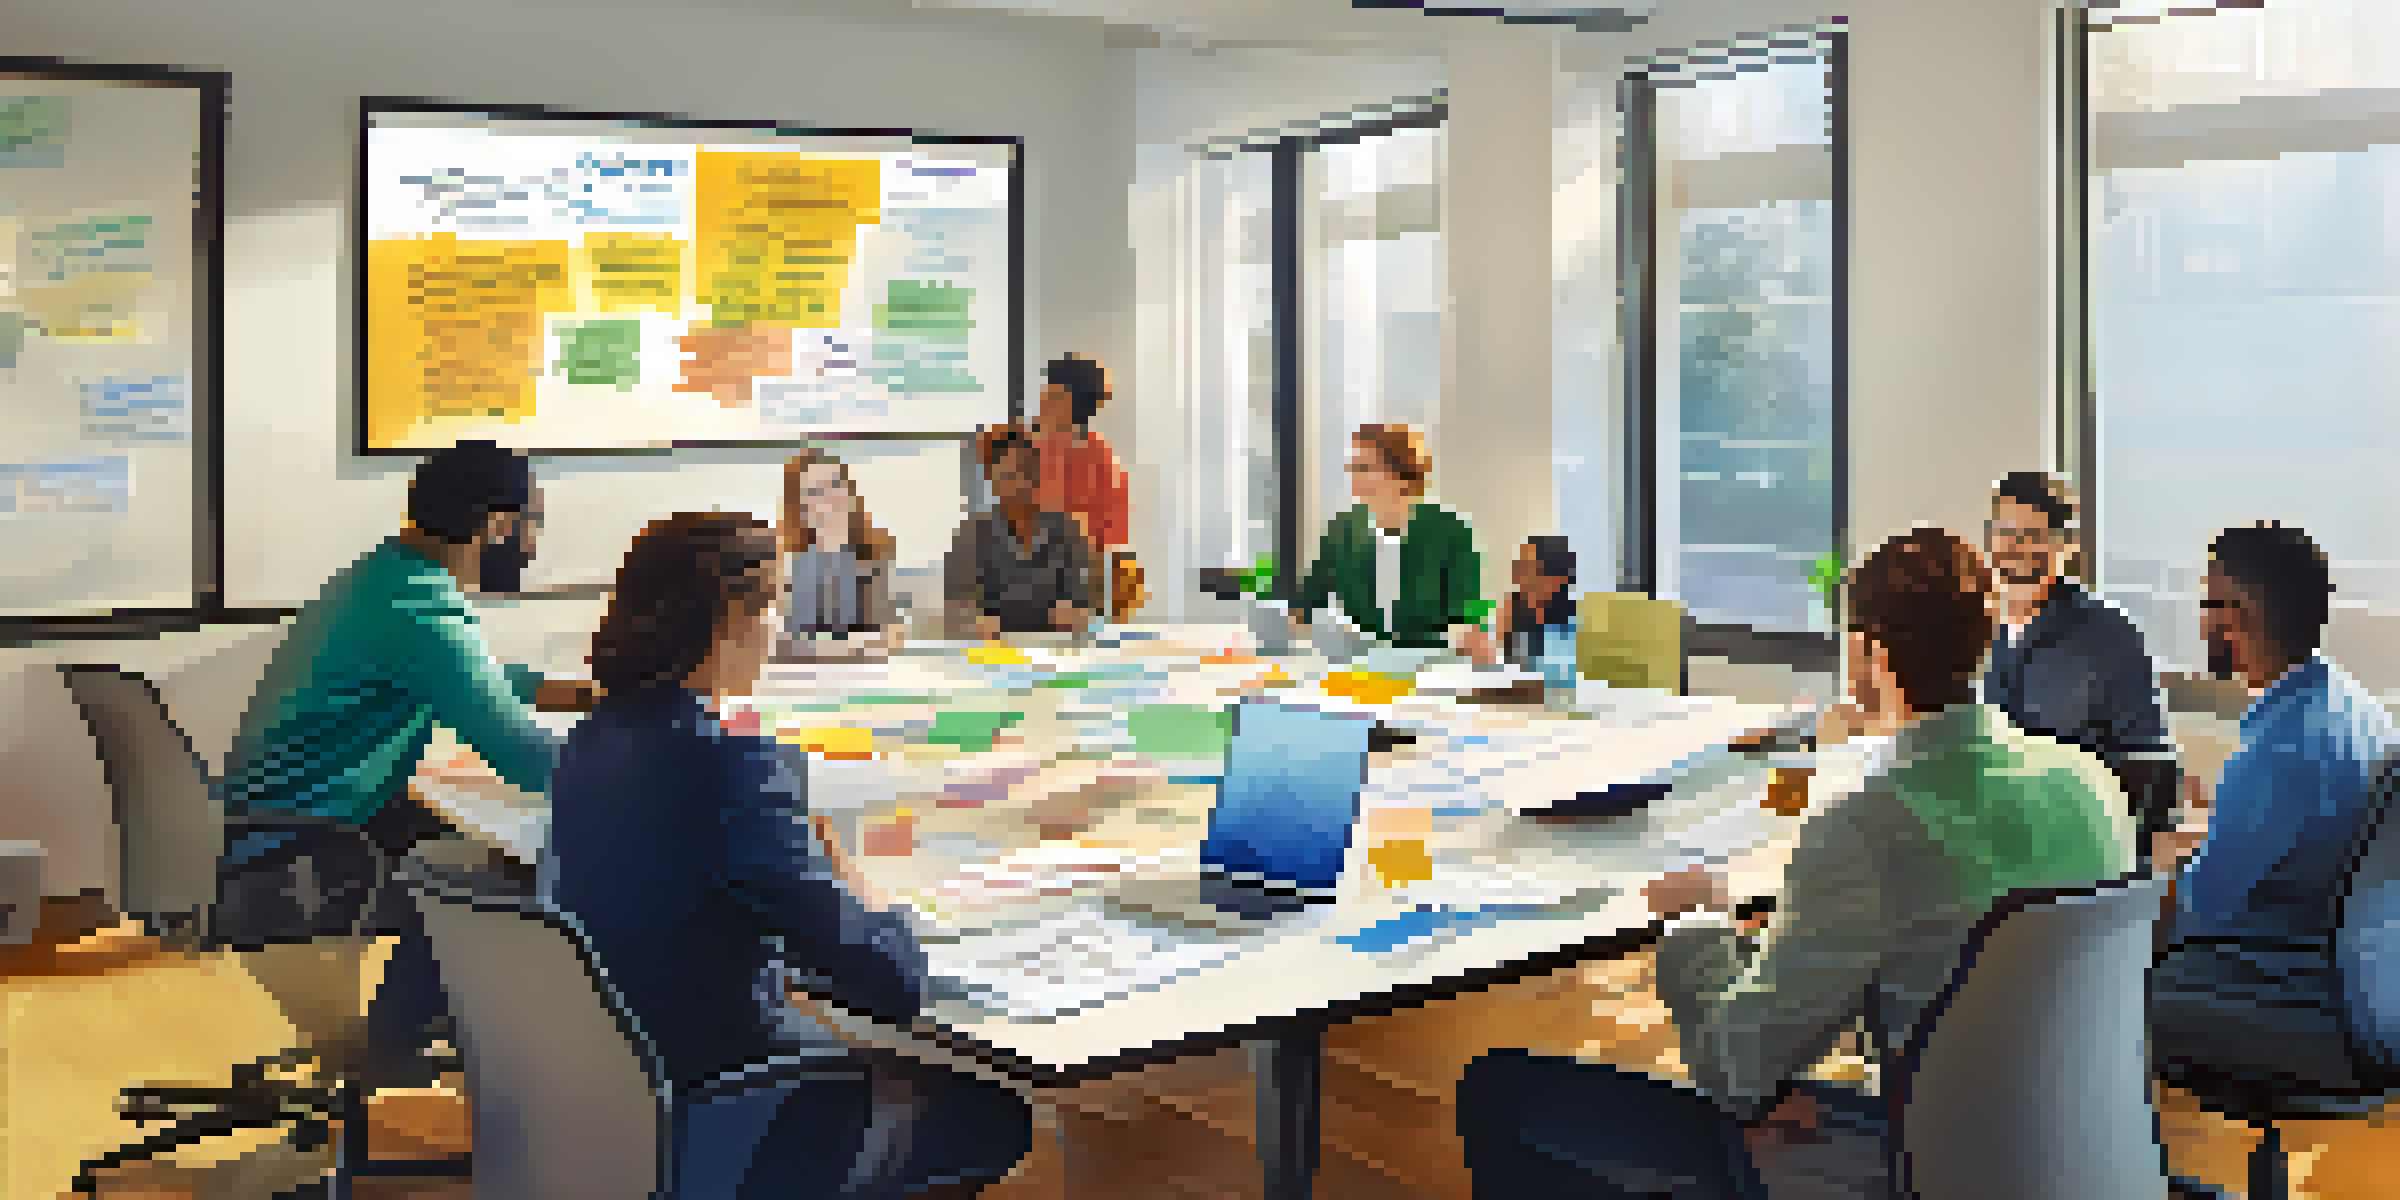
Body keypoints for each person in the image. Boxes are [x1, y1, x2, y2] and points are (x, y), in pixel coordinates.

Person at [1457, 528, 2136, 1199]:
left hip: (1921, 1163)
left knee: (1499, 1092)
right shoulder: (2091, 784)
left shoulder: (1867, 830)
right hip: (2074, 1157)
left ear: (1869, 653)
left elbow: (1733, 1070)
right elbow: (1949, 957)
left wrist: (1696, 920)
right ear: (1985, 642)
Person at [548, 513, 1031, 1199]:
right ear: (727, 620)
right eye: (772, 603)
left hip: (609, 1102)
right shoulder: (734, 768)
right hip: (719, 1098)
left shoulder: (587, 745)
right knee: (985, 1111)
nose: (778, 626)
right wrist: (858, 892)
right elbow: (891, 983)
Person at [215, 439, 592, 1088]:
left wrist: (574, 692)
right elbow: (521, 755)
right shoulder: (418, 606)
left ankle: (397, 1043)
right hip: (297, 855)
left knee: (485, 851)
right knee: (521, 874)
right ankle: (394, 1053)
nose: (530, 545)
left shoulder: (387, 578)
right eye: (530, 525)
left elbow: (465, 674)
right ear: (496, 526)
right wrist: (651, 780)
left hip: (293, 826)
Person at [2151, 522, 2395, 1098]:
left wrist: (2149, 869)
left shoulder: (2279, 745)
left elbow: (2198, 909)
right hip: (2363, 986)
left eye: (2210, 602)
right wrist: (2220, 822)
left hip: (2291, 988)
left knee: (2104, 992)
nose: (2203, 620)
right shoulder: (2350, 704)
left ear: (2240, 614)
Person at [1980, 471, 2183, 846]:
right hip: (1986, 838)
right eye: (2004, 536)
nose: (2015, 551)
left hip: (2075, 846)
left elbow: (2148, 767)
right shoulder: (1972, 630)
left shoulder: (2108, 635)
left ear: (2065, 546)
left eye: (2032, 538)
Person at [1290, 423, 1482, 651]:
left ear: (1402, 474)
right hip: (1356, 666)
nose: (1354, 477)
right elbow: (1307, 602)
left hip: (1428, 666)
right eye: (1353, 468)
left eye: (1364, 468)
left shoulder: (1451, 531)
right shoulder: (1342, 530)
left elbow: (1466, 614)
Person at [945, 424, 1096, 639]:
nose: (1021, 484)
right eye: (1010, 475)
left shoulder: (1067, 531)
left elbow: (1085, 599)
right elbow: (954, 610)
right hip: (992, 656)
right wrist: (973, 623)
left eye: (1027, 472)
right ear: (992, 480)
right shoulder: (972, 535)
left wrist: (1076, 612)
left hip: (1055, 651)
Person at [1030, 353, 1136, 618]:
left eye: (1048, 389)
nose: (1041, 397)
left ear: (1064, 400)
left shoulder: (1098, 460)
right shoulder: (1020, 446)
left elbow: (1108, 548)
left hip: (1074, 591)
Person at [780, 448, 902, 657]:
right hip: (803, 671)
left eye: (836, 484)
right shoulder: (788, 560)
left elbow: (891, 636)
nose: (831, 497)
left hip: (863, 671)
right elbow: (779, 636)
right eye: (816, 491)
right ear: (801, 504)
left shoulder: (876, 552)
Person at [1466, 536, 1581, 690]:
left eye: (1527, 568)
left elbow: (1555, 683)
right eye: (1518, 566)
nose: (1516, 575)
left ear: (1556, 579)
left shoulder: (1569, 622)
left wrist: (1493, 660)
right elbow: (1482, 642)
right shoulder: (1514, 607)